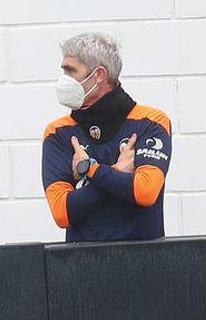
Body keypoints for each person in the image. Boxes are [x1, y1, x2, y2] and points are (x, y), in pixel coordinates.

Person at [42, 32, 172, 242]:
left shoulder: (151, 121)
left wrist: (90, 170)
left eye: (71, 71)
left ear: (99, 74)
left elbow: (145, 192)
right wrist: (116, 172)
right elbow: (62, 212)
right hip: (80, 264)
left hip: (146, 261)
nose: (63, 80)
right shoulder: (58, 132)